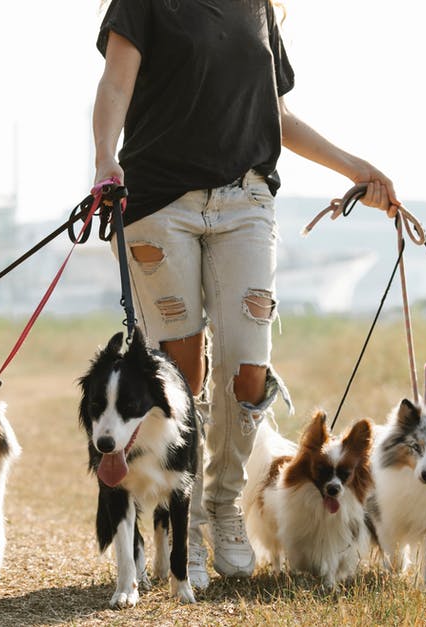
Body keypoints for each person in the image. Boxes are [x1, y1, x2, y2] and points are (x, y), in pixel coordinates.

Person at [92, 0, 401, 588]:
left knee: (247, 364)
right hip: (159, 203)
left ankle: (224, 502)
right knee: (181, 370)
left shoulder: (259, 6)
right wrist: (106, 160)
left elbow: (275, 114)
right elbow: (114, 85)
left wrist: (354, 166)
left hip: (246, 202)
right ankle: (186, 523)